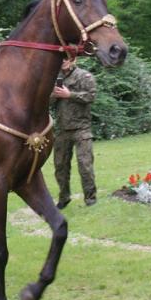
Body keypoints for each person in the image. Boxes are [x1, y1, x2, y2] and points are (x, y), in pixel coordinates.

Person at [52, 58, 98, 208]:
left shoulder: (84, 76)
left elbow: (91, 96)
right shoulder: (54, 77)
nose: (63, 61)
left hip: (81, 128)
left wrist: (69, 94)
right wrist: (53, 95)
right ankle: (64, 197)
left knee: (85, 165)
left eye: (67, 58)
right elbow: (46, 102)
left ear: (73, 59)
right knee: (60, 166)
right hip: (62, 129)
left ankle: (90, 198)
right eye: (62, 58)